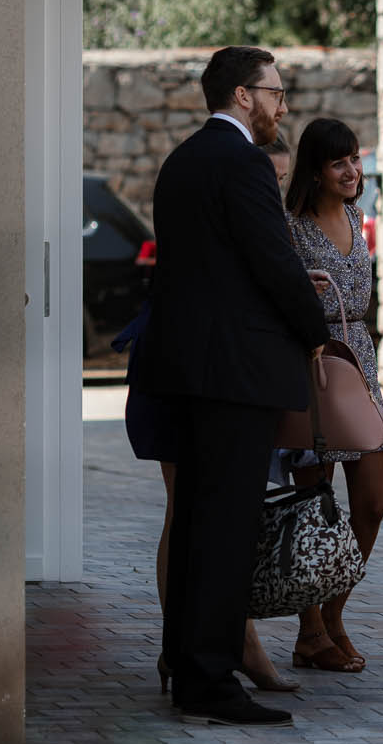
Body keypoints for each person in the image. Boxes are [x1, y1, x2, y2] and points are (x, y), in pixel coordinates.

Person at [138, 47, 329, 726]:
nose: (283, 105)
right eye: (276, 92)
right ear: (244, 96)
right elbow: (272, 262)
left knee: (194, 522)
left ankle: (186, 666)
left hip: (186, 372)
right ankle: (209, 681)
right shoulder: (244, 161)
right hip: (234, 376)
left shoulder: (181, 160)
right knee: (223, 531)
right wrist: (318, 331)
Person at [120, 138, 302, 696]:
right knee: (194, 514)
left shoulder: (245, 207)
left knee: (209, 515)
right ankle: (204, 650)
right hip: (193, 372)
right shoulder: (223, 201)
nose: (271, 187)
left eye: (280, 179)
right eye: (267, 175)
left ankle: (201, 649)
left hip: (215, 369)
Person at [284, 117, 383, 674]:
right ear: (315, 171)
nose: (353, 171)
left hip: (360, 365)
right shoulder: (292, 227)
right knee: (314, 510)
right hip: (313, 368)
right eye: (338, 163)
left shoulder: (356, 215)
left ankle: (333, 613)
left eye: (354, 159)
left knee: (372, 504)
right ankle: (310, 632)